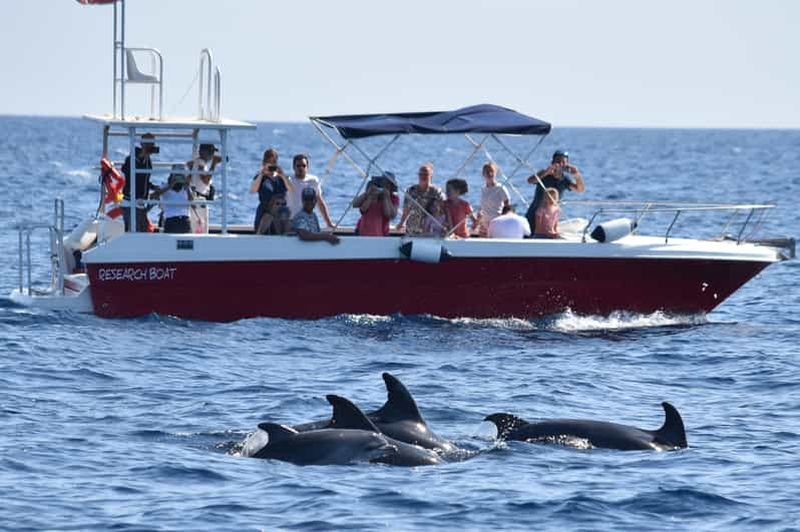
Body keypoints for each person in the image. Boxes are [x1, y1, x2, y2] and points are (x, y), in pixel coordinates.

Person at [525, 149, 584, 233]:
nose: (560, 164)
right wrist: (546, 172)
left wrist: (577, 175)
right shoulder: (544, 174)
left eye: (563, 162)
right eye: (558, 161)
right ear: (552, 162)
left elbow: (580, 189)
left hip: (551, 216)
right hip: (535, 213)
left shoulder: (564, 180)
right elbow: (530, 180)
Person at [121, 132, 160, 232]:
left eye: (152, 144)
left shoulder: (147, 160)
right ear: (142, 144)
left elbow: (144, 179)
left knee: (142, 229)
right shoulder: (132, 159)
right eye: (148, 144)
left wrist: (153, 187)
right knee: (133, 231)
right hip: (131, 201)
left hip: (140, 202)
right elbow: (126, 172)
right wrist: (142, 154)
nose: (151, 146)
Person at [286, 154, 334, 229]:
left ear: (307, 167)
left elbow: (320, 202)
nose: (301, 168)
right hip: (291, 220)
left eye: (303, 166)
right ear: (293, 167)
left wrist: (329, 223)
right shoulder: (288, 181)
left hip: (307, 219)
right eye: (298, 166)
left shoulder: (313, 181)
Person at [396, 162, 445, 235]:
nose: (423, 176)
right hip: (413, 229)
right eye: (421, 174)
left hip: (429, 230)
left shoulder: (436, 192)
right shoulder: (411, 191)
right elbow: (406, 209)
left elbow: (443, 210)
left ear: (431, 176)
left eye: (426, 174)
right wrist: (401, 222)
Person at [251, 148, 292, 232]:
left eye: (273, 162)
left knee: (285, 215)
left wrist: (282, 175)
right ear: (264, 163)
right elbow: (253, 190)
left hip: (281, 211)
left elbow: (290, 189)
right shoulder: (261, 178)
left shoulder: (282, 178)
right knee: (267, 217)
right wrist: (262, 174)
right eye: (268, 162)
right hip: (265, 210)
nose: (271, 165)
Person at [186, 143, 221, 233]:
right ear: (204, 152)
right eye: (211, 152)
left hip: (196, 198)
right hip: (199, 200)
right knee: (201, 230)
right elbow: (205, 180)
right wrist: (214, 164)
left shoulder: (197, 162)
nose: (212, 155)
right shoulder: (201, 163)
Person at [353, 172, 399, 236]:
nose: (384, 186)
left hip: (382, 232)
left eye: (387, 184)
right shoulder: (371, 194)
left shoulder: (393, 198)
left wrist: (386, 198)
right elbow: (355, 204)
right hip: (362, 230)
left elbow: (390, 214)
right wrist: (367, 193)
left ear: (391, 185)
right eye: (382, 182)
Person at [152, 164, 192, 234]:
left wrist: (188, 188)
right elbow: (154, 196)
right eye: (177, 176)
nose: (179, 179)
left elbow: (191, 201)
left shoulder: (186, 188)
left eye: (181, 176)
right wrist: (170, 187)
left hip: (185, 220)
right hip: (171, 220)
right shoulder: (165, 186)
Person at [476, 162, 511, 236]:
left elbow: (507, 206)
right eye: (487, 172)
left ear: (496, 173)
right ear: (483, 174)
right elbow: (482, 207)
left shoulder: (500, 188)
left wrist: (503, 220)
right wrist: (478, 220)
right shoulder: (483, 189)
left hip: (497, 222)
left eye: (492, 171)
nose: (490, 174)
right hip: (485, 223)